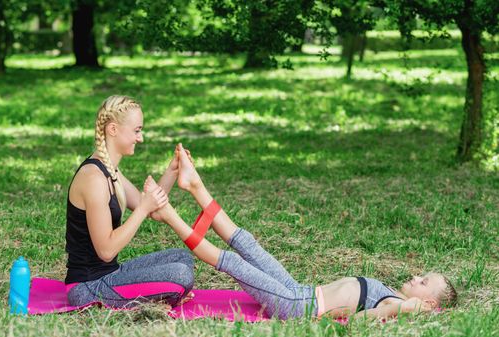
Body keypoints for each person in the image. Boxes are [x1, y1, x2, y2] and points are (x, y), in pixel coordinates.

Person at [148, 144, 458, 320]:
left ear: (429, 303)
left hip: (297, 307)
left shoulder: (396, 308)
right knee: (252, 247)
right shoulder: (391, 296)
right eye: (422, 275)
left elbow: (358, 324)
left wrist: (406, 307)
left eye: (424, 282)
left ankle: (170, 215)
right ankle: (195, 186)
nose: (416, 277)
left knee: (235, 262)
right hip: (301, 291)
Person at [64, 95, 195, 308]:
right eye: (136, 130)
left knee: (181, 257)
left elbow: (150, 206)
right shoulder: (94, 178)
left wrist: (173, 170)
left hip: (110, 274)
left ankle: (163, 291)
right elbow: (106, 251)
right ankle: (165, 291)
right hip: (88, 287)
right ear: (113, 129)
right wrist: (143, 209)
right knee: (180, 274)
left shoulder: (110, 170)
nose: (140, 138)